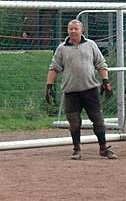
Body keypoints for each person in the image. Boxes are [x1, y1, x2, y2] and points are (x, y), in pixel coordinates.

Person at [45, 19, 117, 160]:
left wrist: (106, 82)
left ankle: (103, 148)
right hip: (71, 91)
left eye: (75, 28)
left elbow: (101, 64)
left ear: (82, 30)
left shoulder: (91, 45)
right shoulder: (61, 48)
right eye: (70, 28)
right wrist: (48, 86)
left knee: (98, 120)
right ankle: (76, 149)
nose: (73, 31)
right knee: (74, 122)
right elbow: (54, 68)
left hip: (90, 90)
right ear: (67, 31)